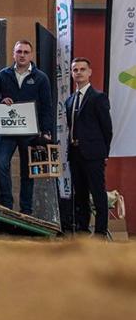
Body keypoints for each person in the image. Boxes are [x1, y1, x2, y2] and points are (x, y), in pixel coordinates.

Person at [0, 40, 53, 215]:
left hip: (30, 132)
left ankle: (26, 210)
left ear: (30, 55)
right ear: (13, 54)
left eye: (25, 52)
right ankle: (7, 206)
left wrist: (46, 132)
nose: (22, 55)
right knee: (1, 164)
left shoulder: (41, 78)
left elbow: (47, 106)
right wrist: (0, 100)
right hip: (7, 131)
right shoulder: (3, 75)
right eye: (19, 51)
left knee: (27, 171)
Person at [66, 57, 112, 237]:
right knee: (80, 193)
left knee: (98, 192)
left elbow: (107, 129)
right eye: (75, 70)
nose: (78, 73)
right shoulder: (70, 100)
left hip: (94, 154)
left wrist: (104, 153)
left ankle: (100, 230)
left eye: (82, 69)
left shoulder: (98, 97)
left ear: (89, 72)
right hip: (75, 153)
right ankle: (82, 228)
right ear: (71, 73)